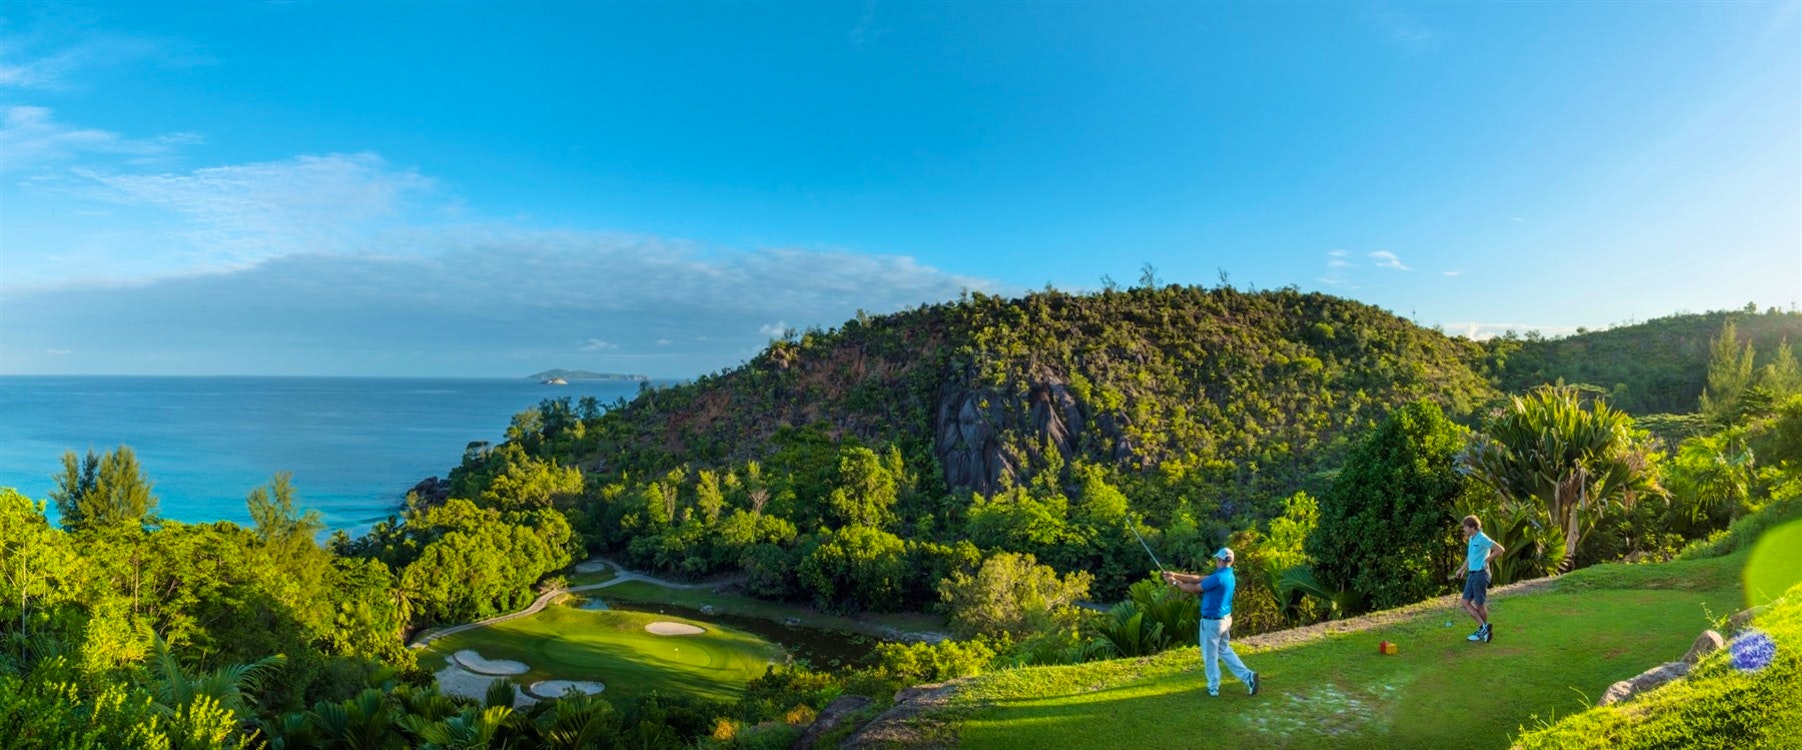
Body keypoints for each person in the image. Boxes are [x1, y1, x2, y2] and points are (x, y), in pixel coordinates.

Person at [1164, 547, 1259, 697]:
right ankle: (1248, 676)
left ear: (1220, 560)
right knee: (1225, 650)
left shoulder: (1219, 578)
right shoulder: (1228, 574)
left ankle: (1213, 687)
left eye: (1217, 559)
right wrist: (1175, 575)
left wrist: (1175, 583)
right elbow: (1199, 578)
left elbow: (1195, 588)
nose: (1216, 561)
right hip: (1224, 620)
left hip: (1212, 622)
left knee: (1210, 655)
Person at [1457, 514, 1505, 643]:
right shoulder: (1472, 538)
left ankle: (1482, 631)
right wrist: (1461, 570)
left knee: (1480, 604)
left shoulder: (1482, 538)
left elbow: (1500, 549)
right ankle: (1484, 629)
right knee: (1465, 602)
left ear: (1472, 528)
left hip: (1481, 575)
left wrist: (1488, 559)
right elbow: (1469, 557)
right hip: (1472, 574)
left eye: (1465, 527)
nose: (1464, 530)